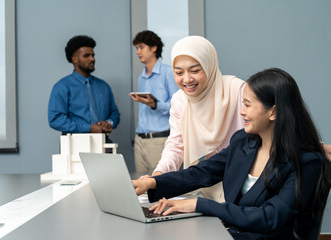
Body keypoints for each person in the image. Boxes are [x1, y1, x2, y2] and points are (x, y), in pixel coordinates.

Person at [133, 68, 331, 239]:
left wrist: (200, 205)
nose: (241, 112)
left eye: (247, 104)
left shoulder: (306, 161)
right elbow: (201, 172)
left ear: (273, 112)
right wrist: (151, 182)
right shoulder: (242, 142)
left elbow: (269, 218)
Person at [151, 36, 245, 202]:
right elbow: (176, 145)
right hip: (209, 187)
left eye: (195, 71)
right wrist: (158, 176)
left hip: (244, 185)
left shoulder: (238, 90)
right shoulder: (180, 100)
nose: (187, 79)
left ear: (209, 66)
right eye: (179, 72)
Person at [48, 35, 120, 140]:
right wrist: (88, 128)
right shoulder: (62, 87)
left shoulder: (104, 86)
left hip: (103, 142)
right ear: (74, 59)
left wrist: (109, 123)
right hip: (75, 144)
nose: (92, 59)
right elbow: (55, 119)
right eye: (86, 56)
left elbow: (114, 113)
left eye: (93, 55)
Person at [129, 30, 179, 172]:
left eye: (141, 47)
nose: (138, 51)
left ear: (154, 48)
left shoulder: (168, 73)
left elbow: (178, 107)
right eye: (137, 48)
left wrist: (155, 104)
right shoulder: (141, 78)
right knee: (142, 185)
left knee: (161, 186)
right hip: (139, 140)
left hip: (159, 140)